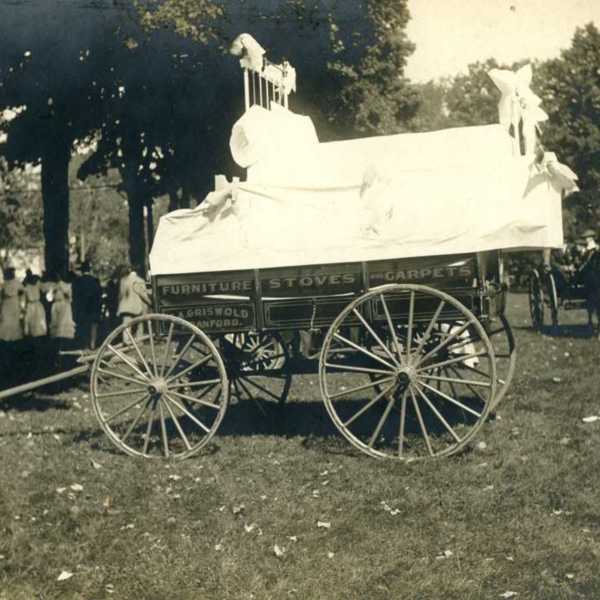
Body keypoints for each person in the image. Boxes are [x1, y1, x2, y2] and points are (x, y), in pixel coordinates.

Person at [117, 263, 152, 342]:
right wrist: (150, 303)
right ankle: (139, 341)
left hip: (125, 307)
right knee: (139, 325)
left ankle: (126, 342)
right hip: (137, 307)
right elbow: (143, 295)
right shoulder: (140, 280)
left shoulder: (123, 279)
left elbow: (120, 295)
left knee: (126, 326)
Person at [73, 260, 102, 350]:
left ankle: (85, 345)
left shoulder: (77, 281)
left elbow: (75, 296)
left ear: (82, 270)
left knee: (83, 327)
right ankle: (92, 343)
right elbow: (99, 295)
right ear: (89, 270)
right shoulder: (95, 281)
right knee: (94, 326)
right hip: (94, 308)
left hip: (82, 309)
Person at [0, 265, 24, 342]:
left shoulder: (17, 283)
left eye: (12, 272)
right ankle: (5, 337)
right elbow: (2, 294)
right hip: (6, 303)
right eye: (9, 272)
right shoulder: (4, 284)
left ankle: (14, 338)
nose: (11, 274)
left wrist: (19, 300)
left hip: (14, 302)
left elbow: (22, 292)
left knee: (14, 320)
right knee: (6, 320)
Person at [23, 272, 47, 338]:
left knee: (40, 319)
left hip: (38, 304)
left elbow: (44, 288)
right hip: (31, 305)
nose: (34, 280)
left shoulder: (38, 284)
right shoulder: (26, 287)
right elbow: (24, 297)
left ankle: (40, 334)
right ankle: (32, 334)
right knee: (31, 319)